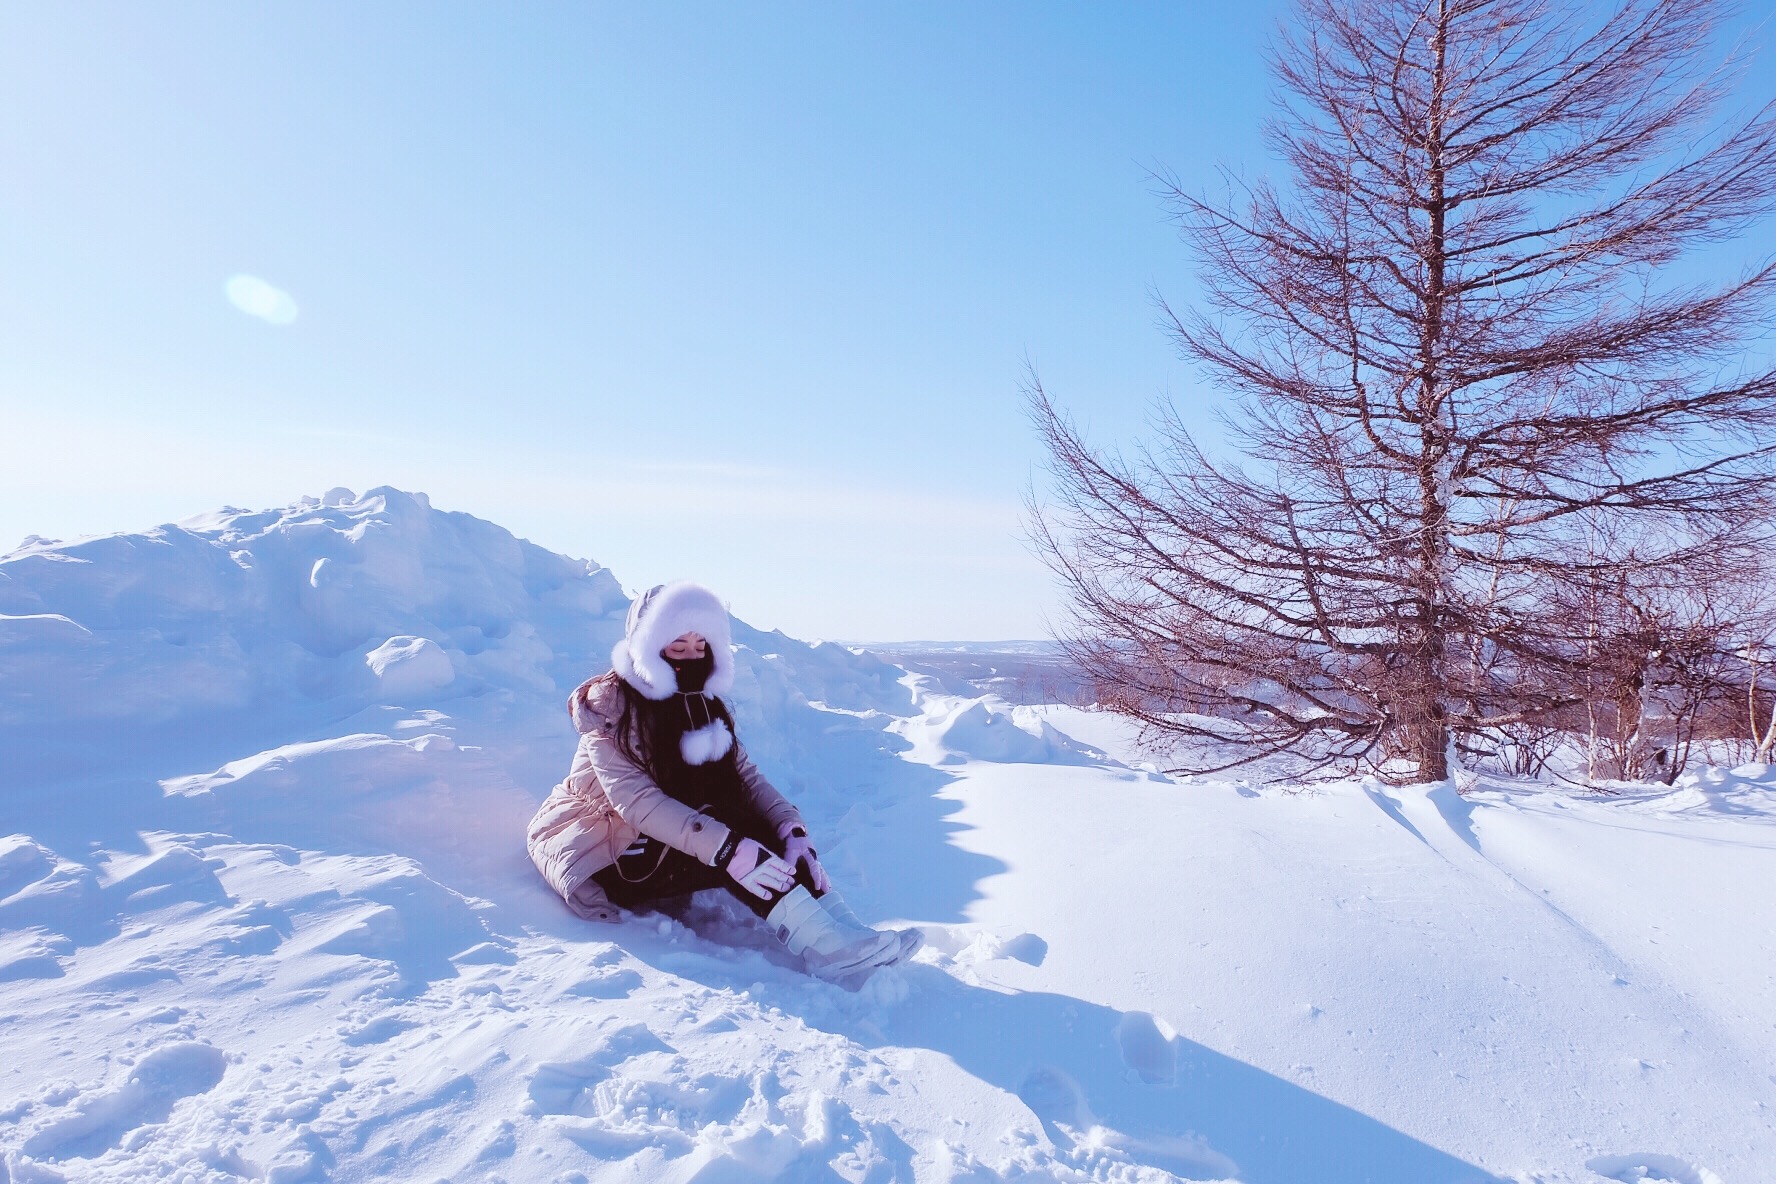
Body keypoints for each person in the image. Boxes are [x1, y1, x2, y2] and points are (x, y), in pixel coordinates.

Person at [526, 580, 921, 986]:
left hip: (658, 841)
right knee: (727, 828)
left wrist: (793, 830)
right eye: (678, 648)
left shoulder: (700, 702)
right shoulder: (610, 709)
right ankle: (826, 947)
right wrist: (729, 848)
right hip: (603, 851)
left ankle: (847, 933)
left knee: (759, 824)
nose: (691, 657)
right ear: (647, 648)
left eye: (701, 647)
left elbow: (745, 777)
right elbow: (636, 803)